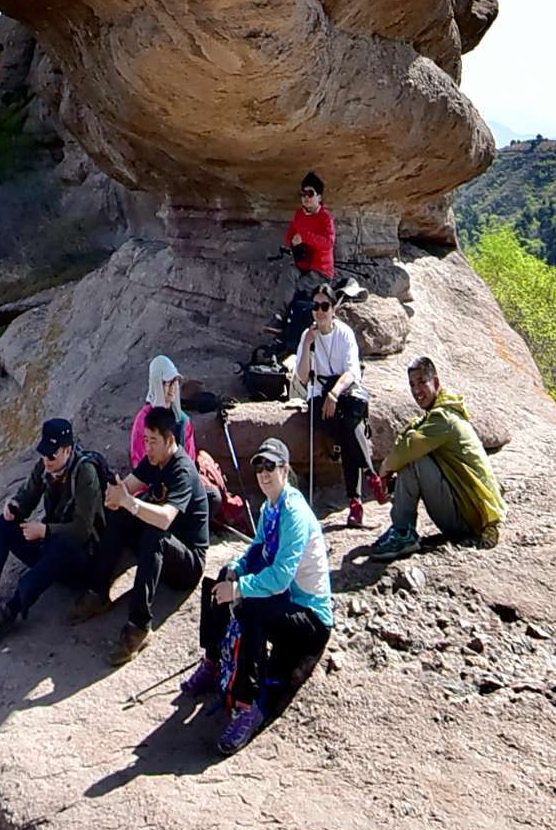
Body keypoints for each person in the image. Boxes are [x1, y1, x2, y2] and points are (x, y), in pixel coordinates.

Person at [182, 436, 332, 754]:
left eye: (270, 466)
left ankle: (247, 705)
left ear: (285, 469)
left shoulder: (295, 514)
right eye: (259, 467)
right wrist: (235, 570)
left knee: (250, 609)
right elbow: (257, 548)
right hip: (285, 600)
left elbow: (278, 578)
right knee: (219, 579)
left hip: (309, 616)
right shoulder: (270, 508)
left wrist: (239, 589)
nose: (264, 473)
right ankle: (212, 661)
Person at [76, 401, 212, 664]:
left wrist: (130, 502)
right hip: (163, 545)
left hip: (187, 562)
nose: (147, 447)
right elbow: (128, 486)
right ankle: (98, 592)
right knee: (121, 515)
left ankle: (139, 625)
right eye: (145, 440)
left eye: (153, 441)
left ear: (169, 439)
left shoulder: (182, 469)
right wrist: (115, 497)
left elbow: (166, 518)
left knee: (153, 530)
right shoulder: (154, 460)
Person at [0, 416, 105, 642]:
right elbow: (28, 493)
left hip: (78, 558)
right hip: (49, 544)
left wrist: (45, 531)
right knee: (5, 525)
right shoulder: (45, 467)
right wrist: (15, 506)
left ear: (67, 450)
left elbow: (83, 529)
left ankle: (12, 609)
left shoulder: (85, 474)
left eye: (51, 454)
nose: (46, 459)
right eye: (44, 453)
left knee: (61, 548)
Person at [370, 356, 505, 558]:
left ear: (436, 382)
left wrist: (385, 470)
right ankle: (401, 530)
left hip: (469, 517)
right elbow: (410, 434)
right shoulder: (439, 413)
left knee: (414, 458)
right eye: (412, 384)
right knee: (412, 455)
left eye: (422, 382)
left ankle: (402, 532)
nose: (416, 390)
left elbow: (409, 447)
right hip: (468, 510)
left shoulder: (444, 418)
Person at [292, 281, 372, 528]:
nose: (319, 311)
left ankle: (356, 501)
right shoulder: (309, 336)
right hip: (318, 395)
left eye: (324, 306)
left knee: (348, 426)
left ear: (333, 308)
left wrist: (334, 394)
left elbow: (351, 372)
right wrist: (306, 344)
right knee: (350, 428)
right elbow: (303, 377)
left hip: (342, 394)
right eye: (315, 306)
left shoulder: (344, 333)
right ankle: (367, 479)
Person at [128, 354, 195, 468]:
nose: (173, 389)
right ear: (156, 383)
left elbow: (190, 460)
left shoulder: (183, 421)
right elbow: (139, 460)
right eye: (167, 383)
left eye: (175, 382)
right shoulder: (143, 420)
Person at [283, 170, 336, 280]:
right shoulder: (299, 214)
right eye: (303, 194)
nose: (306, 197)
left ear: (319, 197)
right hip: (301, 266)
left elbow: (328, 243)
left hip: (320, 270)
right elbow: (289, 235)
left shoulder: (325, 217)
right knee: (287, 277)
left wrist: (305, 237)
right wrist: (292, 242)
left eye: (310, 194)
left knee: (303, 287)